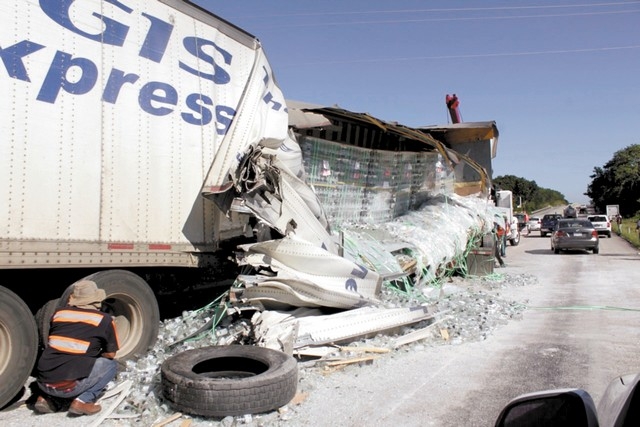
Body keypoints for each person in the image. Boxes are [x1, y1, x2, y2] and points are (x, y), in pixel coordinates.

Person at [34, 280, 120, 416]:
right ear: (96, 300)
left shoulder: (59, 314)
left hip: (43, 382)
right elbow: (110, 354)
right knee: (111, 365)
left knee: (62, 360)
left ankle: (46, 398)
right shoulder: (104, 319)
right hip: (69, 387)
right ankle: (83, 401)